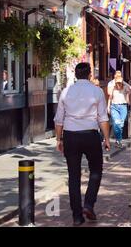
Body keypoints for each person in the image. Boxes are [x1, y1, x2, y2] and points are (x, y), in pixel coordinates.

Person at [54, 63, 110, 226]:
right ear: (89, 74)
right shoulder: (97, 91)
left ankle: (77, 216)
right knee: (96, 170)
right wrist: (106, 139)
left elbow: (59, 120)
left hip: (71, 136)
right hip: (90, 135)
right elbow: (103, 118)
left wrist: (59, 139)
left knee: (73, 176)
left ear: (76, 74)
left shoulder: (66, 92)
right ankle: (89, 204)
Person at [107, 76, 131, 148]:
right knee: (116, 123)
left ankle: (118, 140)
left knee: (121, 124)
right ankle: (118, 140)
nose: (119, 84)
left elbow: (130, 88)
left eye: (120, 83)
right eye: (117, 83)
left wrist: (123, 82)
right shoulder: (113, 89)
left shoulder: (125, 88)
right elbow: (110, 98)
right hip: (114, 107)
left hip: (123, 107)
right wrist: (108, 107)